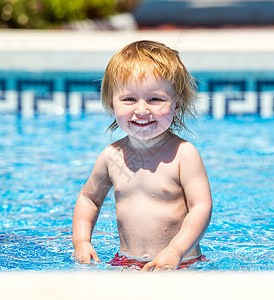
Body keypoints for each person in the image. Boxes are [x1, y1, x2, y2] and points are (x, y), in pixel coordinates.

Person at [72, 40, 212, 271]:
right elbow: (90, 198)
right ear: (111, 103)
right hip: (127, 262)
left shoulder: (183, 155)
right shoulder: (111, 157)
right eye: (129, 99)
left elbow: (201, 207)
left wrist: (175, 251)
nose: (142, 110)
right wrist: (82, 241)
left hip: (180, 263)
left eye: (155, 99)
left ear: (176, 105)